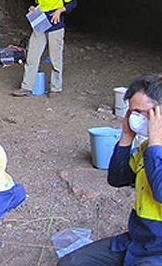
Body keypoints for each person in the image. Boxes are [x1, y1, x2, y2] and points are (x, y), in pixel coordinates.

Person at [59, 74, 162, 266]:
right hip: (137, 240)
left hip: (158, 249)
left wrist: (156, 142)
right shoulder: (146, 148)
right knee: (72, 263)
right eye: (132, 113)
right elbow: (117, 178)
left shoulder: (153, 147)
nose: (136, 119)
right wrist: (126, 137)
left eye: (141, 112)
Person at [13, 0, 77, 97]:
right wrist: (33, 8)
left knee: (55, 58)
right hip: (41, 24)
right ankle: (26, 88)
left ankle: (55, 89)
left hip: (55, 25)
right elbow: (39, 5)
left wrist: (60, 10)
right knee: (32, 56)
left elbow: (72, 3)